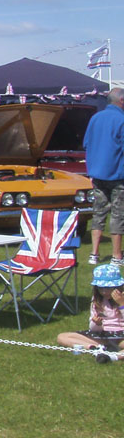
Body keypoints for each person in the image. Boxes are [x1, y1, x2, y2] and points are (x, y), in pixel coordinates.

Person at [83, 87, 124, 267]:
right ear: (121, 101)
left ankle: (94, 253)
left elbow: (86, 143)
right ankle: (116, 256)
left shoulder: (95, 118)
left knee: (98, 212)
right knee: (118, 214)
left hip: (97, 174)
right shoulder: (121, 119)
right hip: (117, 174)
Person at [56, 264, 124, 363]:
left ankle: (113, 357)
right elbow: (93, 329)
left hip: (121, 336)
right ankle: (96, 349)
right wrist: (97, 324)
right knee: (62, 337)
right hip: (103, 335)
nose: (104, 292)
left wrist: (122, 304)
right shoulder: (97, 299)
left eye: (108, 288)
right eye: (101, 288)